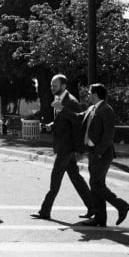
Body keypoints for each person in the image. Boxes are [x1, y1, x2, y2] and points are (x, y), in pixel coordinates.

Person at [31, 74, 93, 220]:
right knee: (76, 178)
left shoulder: (71, 101)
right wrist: (50, 125)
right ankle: (93, 207)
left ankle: (45, 211)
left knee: (55, 180)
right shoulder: (59, 99)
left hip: (67, 148)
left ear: (64, 86)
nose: (52, 88)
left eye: (55, 86)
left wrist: (78, 149)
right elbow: (63, 121)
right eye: (52, 85)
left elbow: (78, 122)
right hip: (63, 147)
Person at [79, 83, 129, 227]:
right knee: (96, 184)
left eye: (90, 93)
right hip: (92, 152)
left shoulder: (106, 110)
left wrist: (98, 153)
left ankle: (121, 205)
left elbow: (109, 135)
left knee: (96, 184)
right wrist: (63, 111)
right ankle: (100, 218)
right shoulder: (92, 108)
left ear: (96, 94)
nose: (88, 95)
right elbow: (79, 117)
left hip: (102, 154)